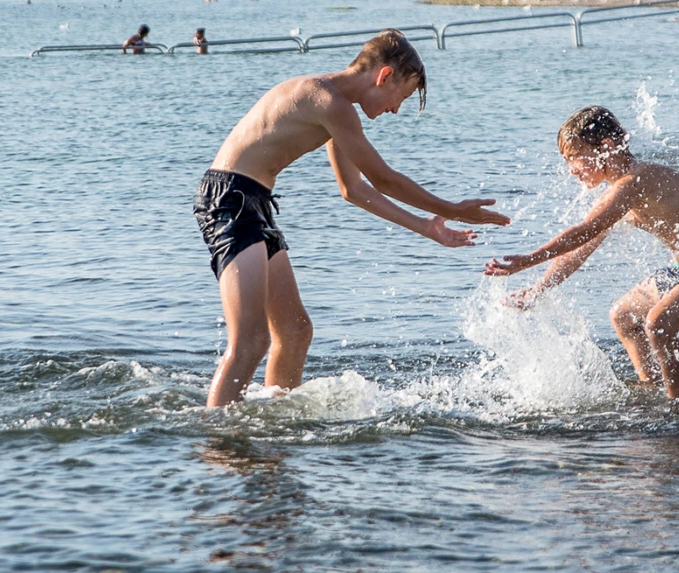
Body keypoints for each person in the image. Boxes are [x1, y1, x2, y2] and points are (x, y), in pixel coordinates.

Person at [193, 29, 509, 407]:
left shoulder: (337, 109)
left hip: (255, 203)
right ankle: (217, 440)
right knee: (251, 340)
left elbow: (354, 190)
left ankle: (273, 420)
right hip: (229, 199)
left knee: (295, 331)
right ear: (385, 75)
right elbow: (384, 178)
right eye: (402, 97)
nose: (396, 109)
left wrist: (427, 227)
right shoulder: (328, 101)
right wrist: (452, 208)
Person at [486, 107, 679, 400]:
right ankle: (651, 392)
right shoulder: (617, 193)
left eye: (573, 157)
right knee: (623, 316)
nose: (571, 169)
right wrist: (539, 288)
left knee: (658, 325)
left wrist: (529, 259)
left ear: (606, 147)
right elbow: (580, 249)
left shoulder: (634, 181)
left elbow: (583, 230)